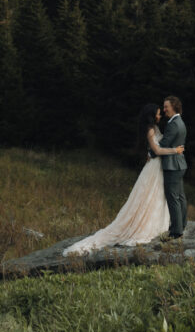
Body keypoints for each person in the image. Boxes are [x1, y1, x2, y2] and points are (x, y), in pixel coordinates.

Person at [62, 103, 185, 256]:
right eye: (158, 114)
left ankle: (158, 224)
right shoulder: (150, 129)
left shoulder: (155, 127)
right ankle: (143, 225)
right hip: (154, 167)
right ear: (151, 115)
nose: (160, 116)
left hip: (158, 166)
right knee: (148, 195)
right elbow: (157, 150)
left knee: (158, 195)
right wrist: (176, 150)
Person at [158, 95, 187, 239]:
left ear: (174, 107)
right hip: (180, 164)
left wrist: (151, 152)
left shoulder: (173, 124)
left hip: (172, 165)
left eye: (166, 107)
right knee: (180, 196)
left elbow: (164, 144)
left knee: (173, 197)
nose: (164, 110)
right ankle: (182, 224)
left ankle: (176, 231)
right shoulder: (179, 121)